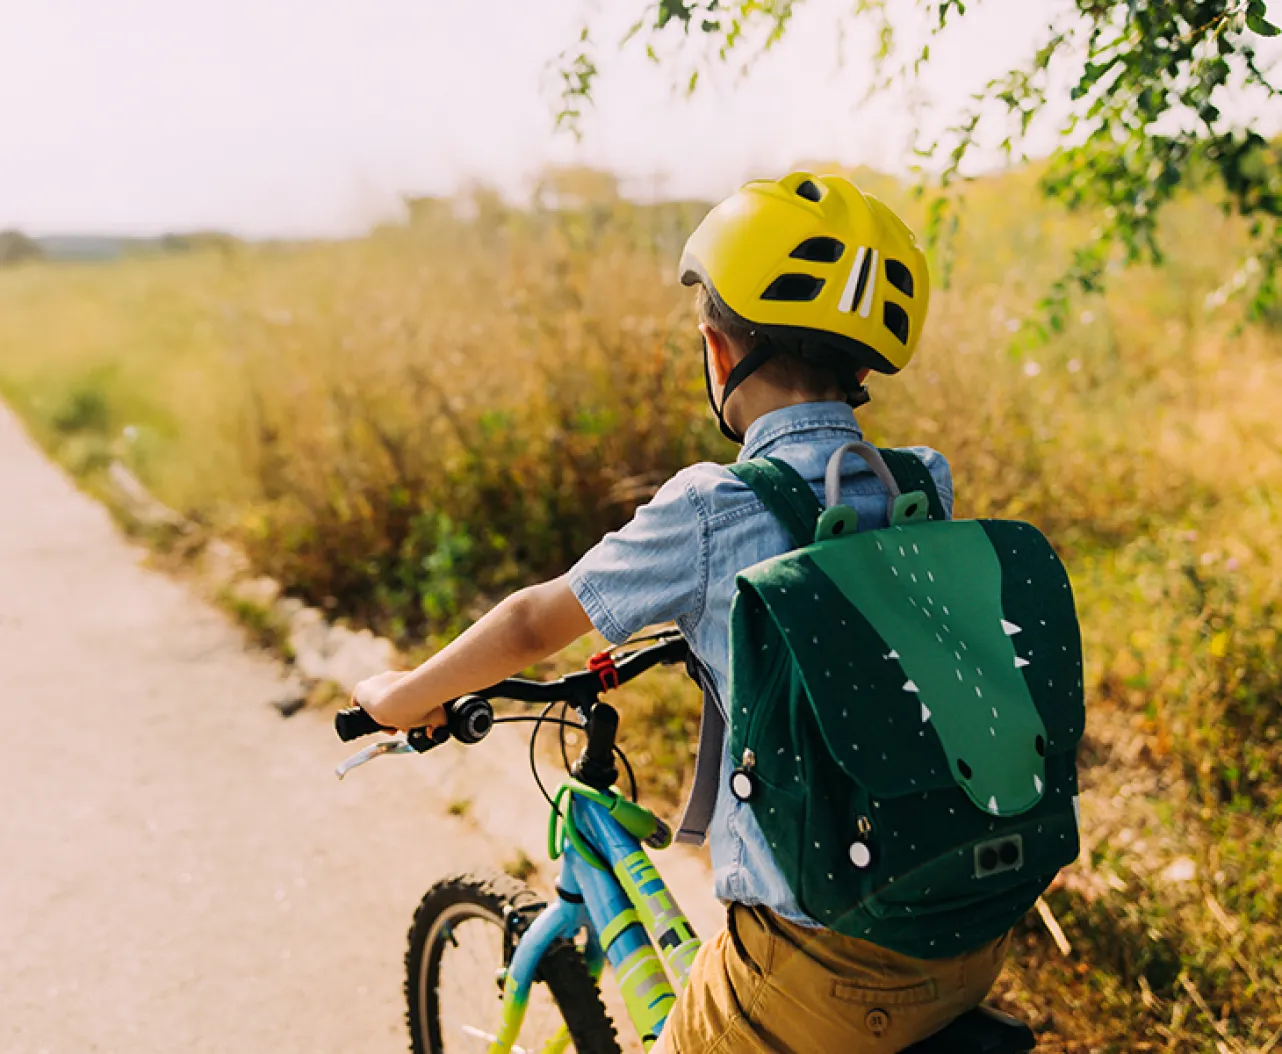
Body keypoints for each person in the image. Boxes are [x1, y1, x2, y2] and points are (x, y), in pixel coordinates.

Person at [354, 172, 1011, 1052]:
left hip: (818, 967)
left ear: (716, 348)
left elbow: (529, 626)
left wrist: (401, 695)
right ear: (863, 367)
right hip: (966, 923)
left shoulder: (713, 507)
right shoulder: (922, 479)